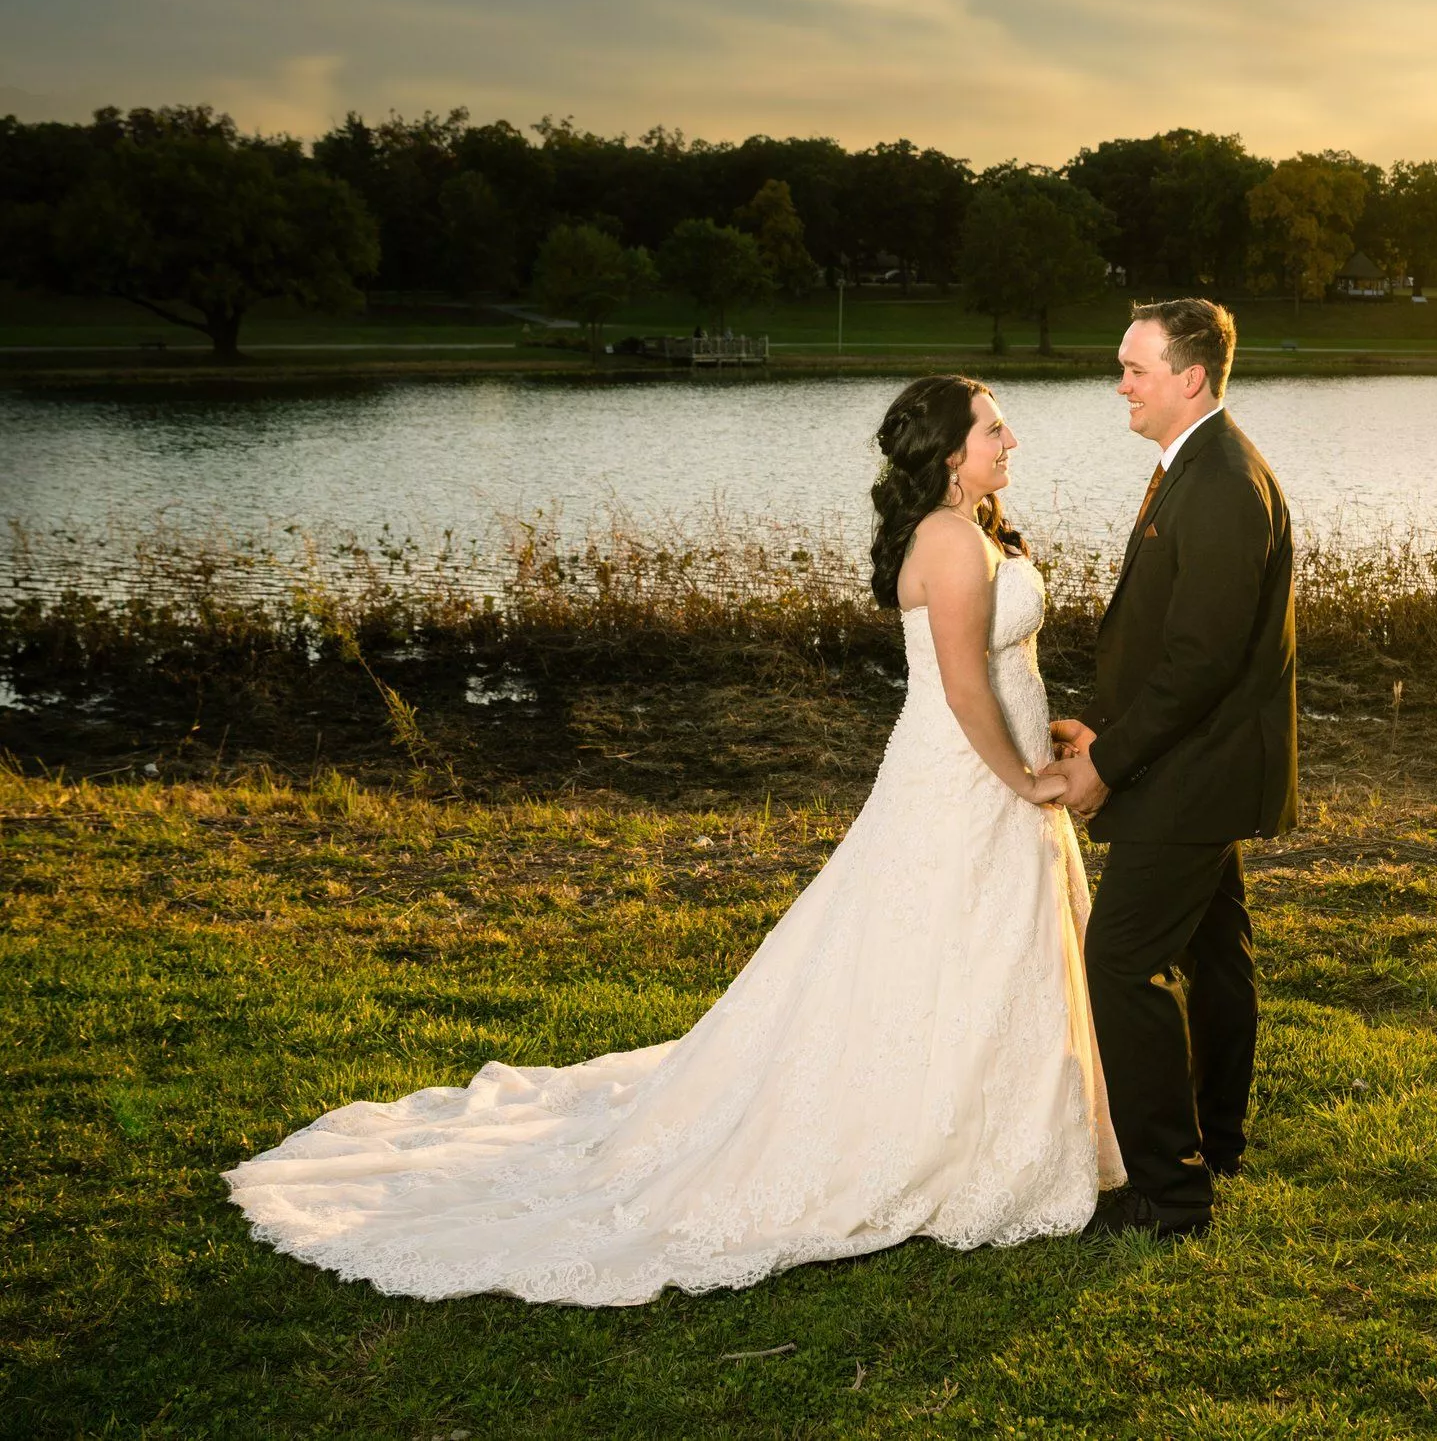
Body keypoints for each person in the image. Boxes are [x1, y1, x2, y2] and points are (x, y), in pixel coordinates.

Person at [222, 376, 1122, 1305]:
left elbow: (1002, 668)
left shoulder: (969, 525)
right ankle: (931, 1132)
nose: (1011, 437)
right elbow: (963, 688)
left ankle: (990, 1117)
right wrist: (1019, 778)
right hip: (965, 777)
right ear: (948, 451)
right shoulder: (944, 537)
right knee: (936, 941)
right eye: (994, 426)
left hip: (984, 761)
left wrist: (1046, 729)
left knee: (967, 948)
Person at [1053, 298, 1298, 1240]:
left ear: (1189, 377)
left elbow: (1200, 663)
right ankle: (1219, 1140)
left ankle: (1170, 1191)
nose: (1121, 383)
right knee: (1216, 954)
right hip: (1199, 761)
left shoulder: (1226, 482)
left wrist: (1109, 763)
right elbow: (1178, 642)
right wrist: (1105, 724)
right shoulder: (1194, 467)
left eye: (1136, 368)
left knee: (1119, 958)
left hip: (1195, 773)